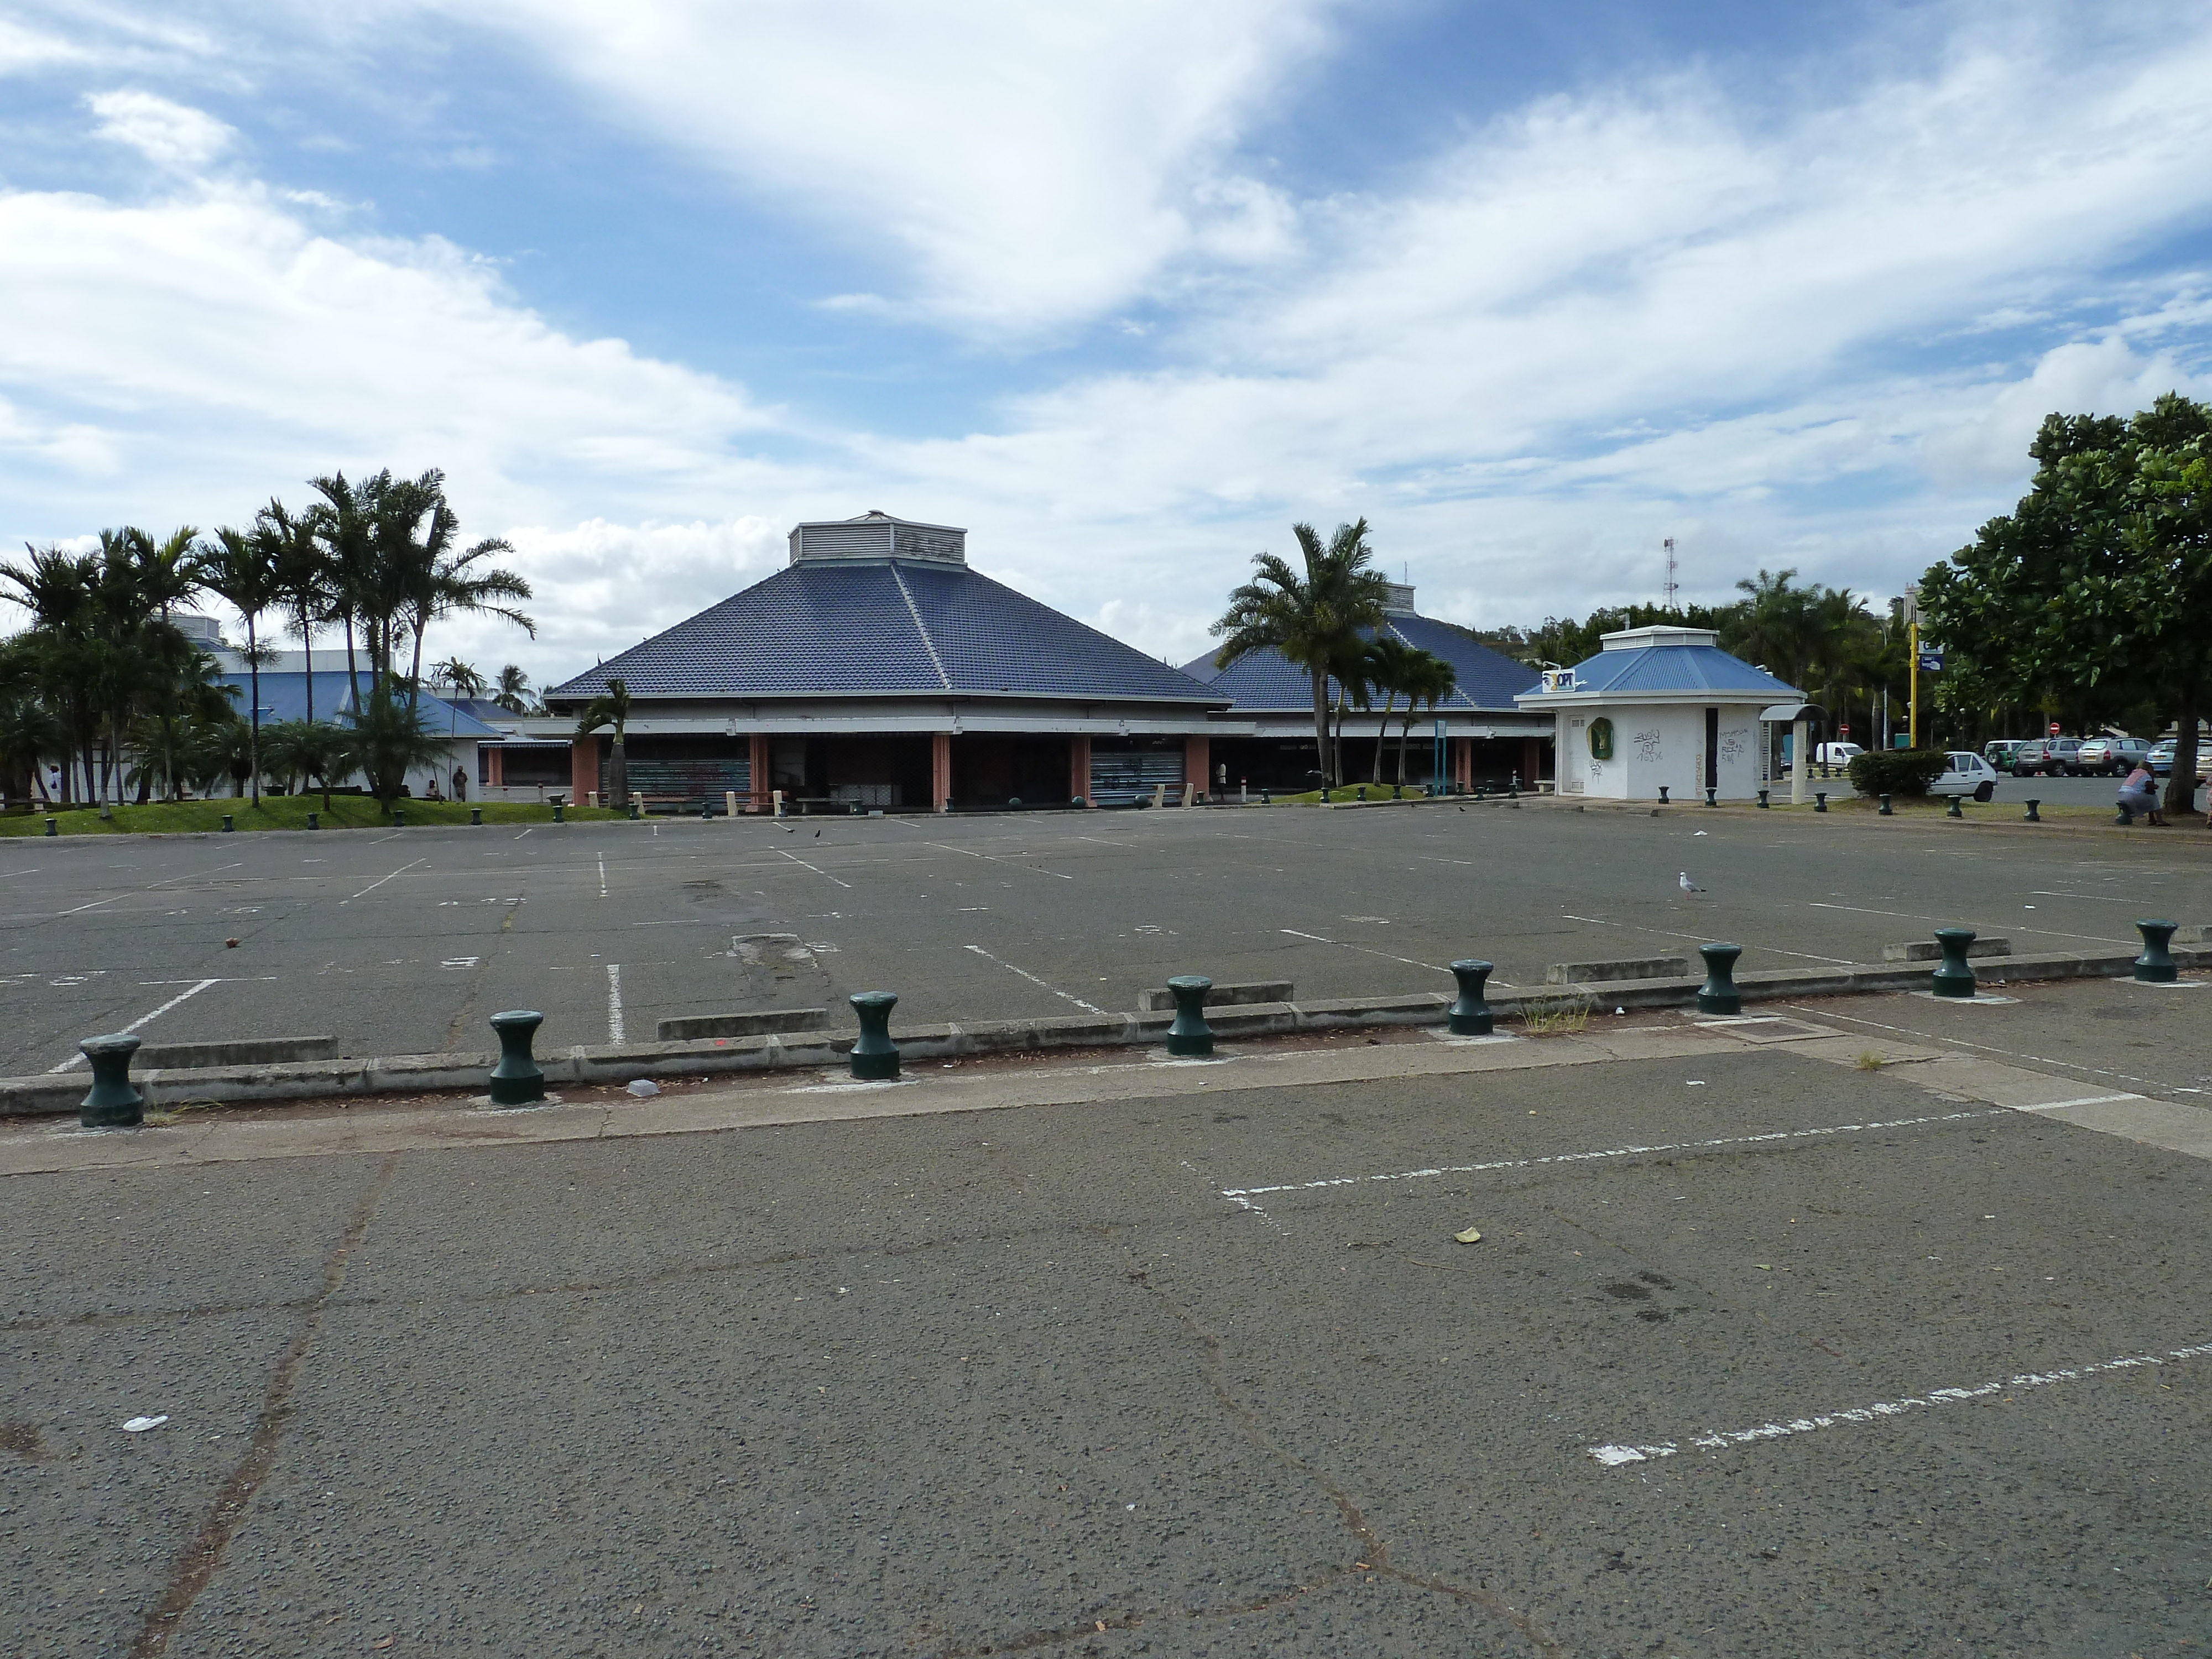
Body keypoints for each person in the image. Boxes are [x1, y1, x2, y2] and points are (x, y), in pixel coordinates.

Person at [2116, 758, 2163, 826]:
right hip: (2133, 795)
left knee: (2149, 797)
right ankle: (2160, 820)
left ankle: (2152, 819)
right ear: (2148, 768)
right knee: (2153, 797)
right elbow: (2149, 786)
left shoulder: (2134, 772)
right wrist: (2155, 786)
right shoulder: (2145, 774)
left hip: (2122, 793)